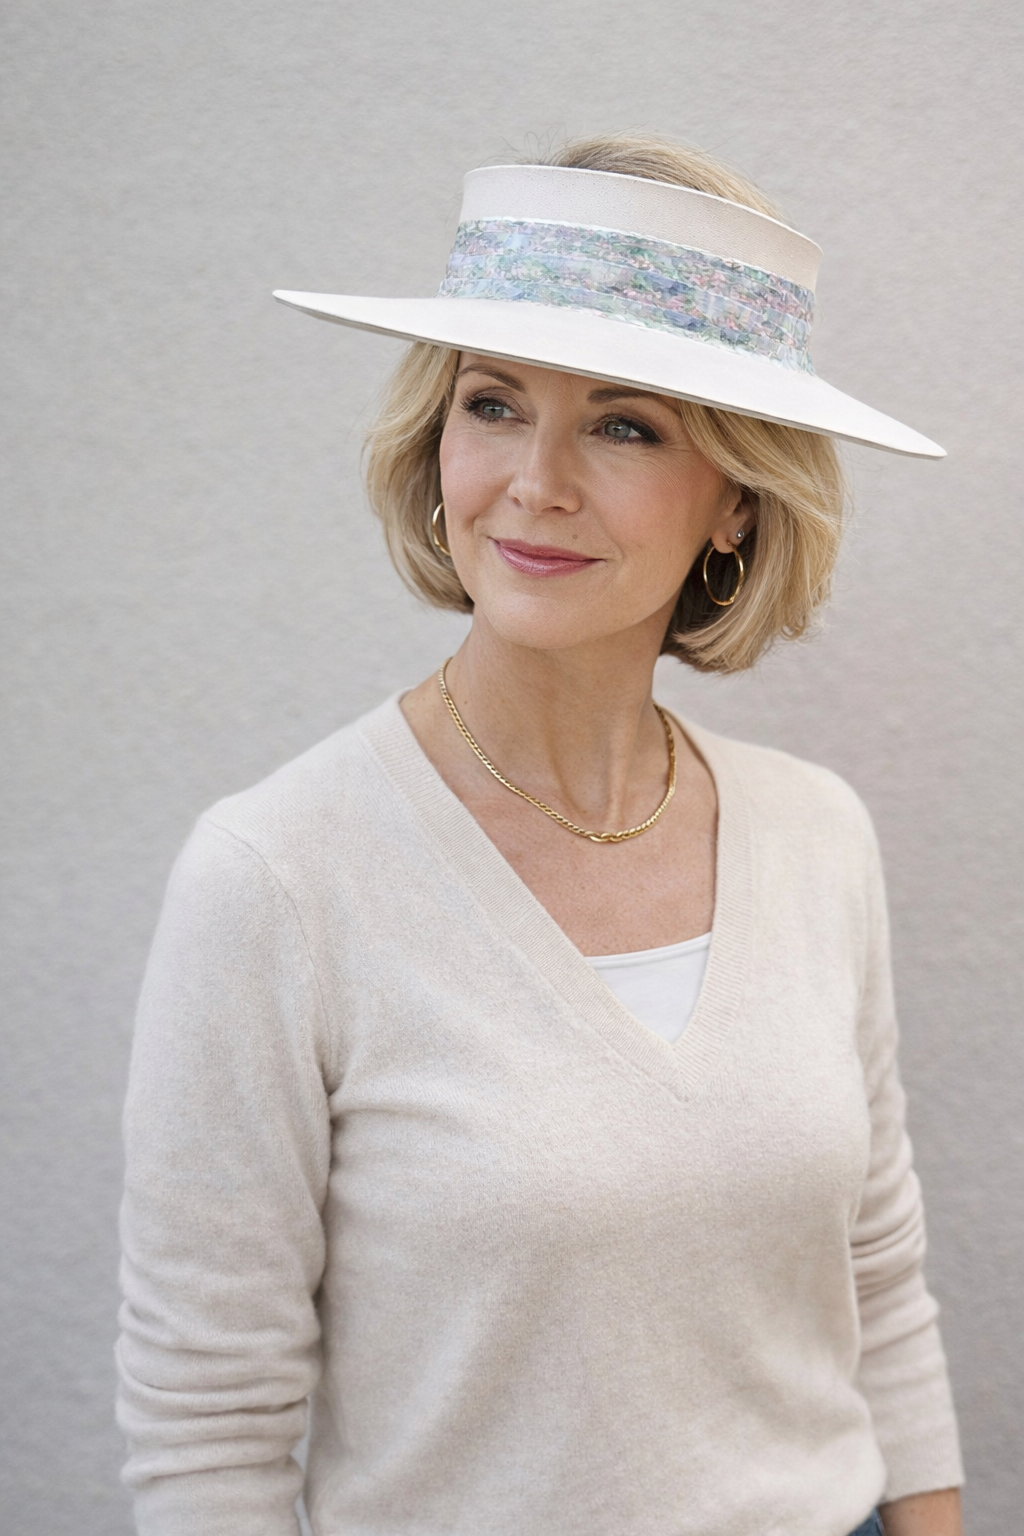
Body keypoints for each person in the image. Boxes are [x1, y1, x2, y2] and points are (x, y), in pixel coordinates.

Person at [116, 135, 964, 1536]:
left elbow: (875, 1281)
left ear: (737, 502)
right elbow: (209, 1428)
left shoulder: (819, 838)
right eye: (494, 405)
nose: (533, 481)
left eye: (625, 424)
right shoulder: (276, 878)